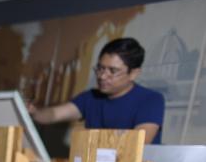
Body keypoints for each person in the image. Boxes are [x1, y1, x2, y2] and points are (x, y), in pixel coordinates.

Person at [28, 37, 165, 144]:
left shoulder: (151, 99)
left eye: (113, 71)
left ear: (134, 74)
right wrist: (33, 112)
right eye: (100, 68)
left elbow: (138, 144)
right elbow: (53, 114)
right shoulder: (90, 97)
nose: (102, 76)